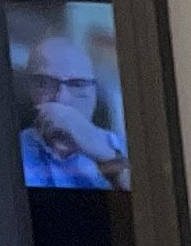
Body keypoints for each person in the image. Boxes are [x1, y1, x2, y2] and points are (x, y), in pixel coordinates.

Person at [17, 33, 127, 189]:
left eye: (78, 84)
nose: (62, 99)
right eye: (44, 83)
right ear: (30, 90)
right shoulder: (10, 151)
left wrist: (105, 154)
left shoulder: (126, 148)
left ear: (95, 94)